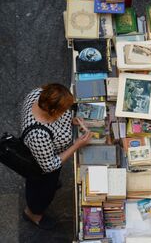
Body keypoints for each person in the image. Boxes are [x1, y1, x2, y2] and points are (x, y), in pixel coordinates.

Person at [21, 84, 92, 230]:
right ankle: (33, 214)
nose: (67, 112)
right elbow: (49, 166)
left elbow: (59, 121)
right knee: (42, 192)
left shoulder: (39, 94)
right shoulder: (38, 135)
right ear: (53, 111)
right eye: (64, 110)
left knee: (51, 184)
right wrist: (77, 145)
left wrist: (72, 120)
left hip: (48, 154)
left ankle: (49, 190)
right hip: (41, 167)